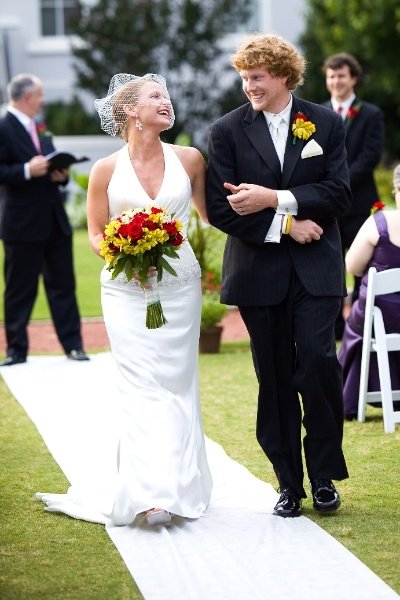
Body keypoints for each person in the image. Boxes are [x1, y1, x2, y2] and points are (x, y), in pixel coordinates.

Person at [37, 73, 212, 526]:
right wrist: (124, 249)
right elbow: (96, 233)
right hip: (125, 289)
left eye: (167, 96)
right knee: (140, 385)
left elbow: (215, 217)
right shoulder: (105, 170)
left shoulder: (190, 159)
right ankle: (148, 493)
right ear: (131, 110)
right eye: (156, 96)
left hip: (179, 287)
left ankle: (175, 485)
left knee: (176, 384)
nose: (166, 102)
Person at [206, 34, 350, 518]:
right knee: (273, 377)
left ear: (284, 76)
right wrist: (286, 224)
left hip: (318, 272)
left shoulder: (325, 123)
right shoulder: (225, 131)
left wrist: (275, 198)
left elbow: (338, 193)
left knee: (316, 363)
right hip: (258, 272)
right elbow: (222, 210)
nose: (249, 86)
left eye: (258, 77)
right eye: (245, 77)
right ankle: (289, 483)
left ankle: (324, 475)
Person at [0, 73, 88, 366]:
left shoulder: (40, 125)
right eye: (39, 95)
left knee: (63, 285)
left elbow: (50, 159)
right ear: (27, 97)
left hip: (54, 220)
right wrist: (26, 170)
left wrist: (59, 174)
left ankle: (74, 347)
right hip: (22, 224)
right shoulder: (3, 125)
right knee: (19, 289)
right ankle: (16, 350)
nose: (43, 100)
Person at [322, 52, 385, 340]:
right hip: (329, 208)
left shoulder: (370, 113)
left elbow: (370, 155)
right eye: (332, 76)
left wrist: (340, 182)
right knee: (331, 268)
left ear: (353, 79)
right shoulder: (317, 114)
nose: (336, 81)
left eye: (341, 75)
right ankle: (334, 329)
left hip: (360, 205)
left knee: (363, 268)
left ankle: (363, 326)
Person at [338, 164, 400, 420]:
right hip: (383, 317)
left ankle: (348, 398)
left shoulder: (380, 223)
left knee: (359, 323)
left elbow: (352, 265)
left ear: (396, 189)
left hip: (384, 318)